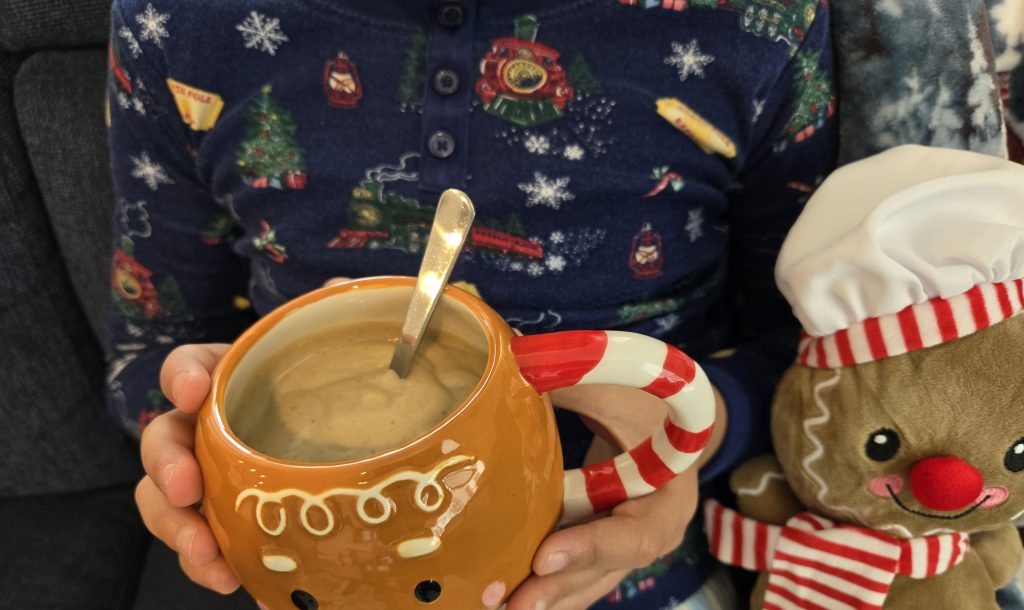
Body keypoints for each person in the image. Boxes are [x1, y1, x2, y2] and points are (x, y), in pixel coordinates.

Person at [108, 0, 838, 607]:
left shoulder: (756, 28)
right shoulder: (176, 25)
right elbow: (150, 349)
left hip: (645, 574)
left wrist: (688, 442)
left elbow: (825, 364)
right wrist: (192, 437)